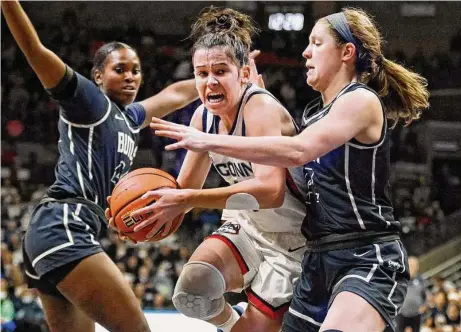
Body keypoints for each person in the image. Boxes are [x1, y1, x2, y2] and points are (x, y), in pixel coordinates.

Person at [152, 7, 430, 332]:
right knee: (198, 291)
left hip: (365, 251)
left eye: (316, 42)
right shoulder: (313, 114)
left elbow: (297, 152)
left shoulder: (360, 100)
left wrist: (210, 140)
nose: (305, 51)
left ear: (346, 52)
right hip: (317, 255)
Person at [1, 1, 199, 331]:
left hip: (62, 231)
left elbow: (176, 94)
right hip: (64, 226)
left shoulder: (131, 117)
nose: (130, 76)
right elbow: (34, 49)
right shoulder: (88, 100)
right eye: (119, 69)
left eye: (135, 70)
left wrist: (226, 76)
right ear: (97, 76)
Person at [123, 7, 308, 332]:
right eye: (201, 73)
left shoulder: (259, 106)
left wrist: (189, 198)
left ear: (244, 74)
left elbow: (270, 191)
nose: (210, 81)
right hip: (248, 225)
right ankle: (234, 322)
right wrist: (139, 214)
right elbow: (181, 194)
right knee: (192, 291)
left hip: (293, 239)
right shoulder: (202, 118)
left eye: (220, 71)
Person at [396, 257, 428, 332]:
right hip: (402, 313)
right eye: (410, 265)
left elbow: (425, 295)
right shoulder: (400, 280)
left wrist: (424, 305)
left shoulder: (421, 280)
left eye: (414, 266)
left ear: (417, 267)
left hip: (417, 314)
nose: (412, 268)